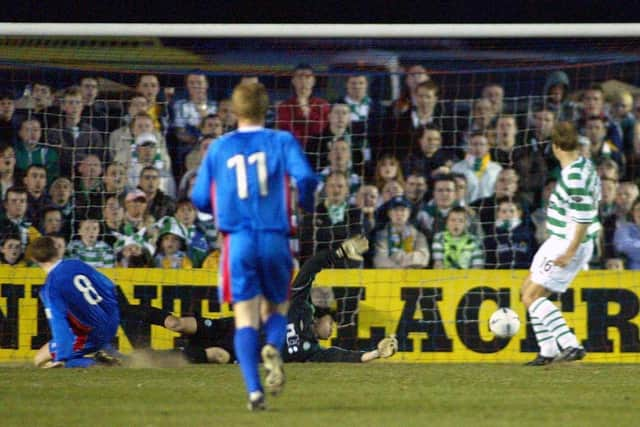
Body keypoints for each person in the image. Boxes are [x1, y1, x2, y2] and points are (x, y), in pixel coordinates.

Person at [191, 81, 318, 410]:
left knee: (245, 319)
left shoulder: (220, 147)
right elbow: (306, 178)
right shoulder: (281, 140)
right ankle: (273, 346)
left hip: (239, 242)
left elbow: (199, 198)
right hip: (276, 239)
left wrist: (223, 206)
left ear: (234, 111)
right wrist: (304, 202)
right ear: (267, 109)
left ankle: (254, 392)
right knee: (275, 310)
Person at [521, 122, 600, 366]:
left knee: (533, 296)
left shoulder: (574, 175)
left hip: (568, 242)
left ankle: (570, 344)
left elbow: (584, 215)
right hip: (559, 238)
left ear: (555, 147)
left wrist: (570, 251)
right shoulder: (584, 165)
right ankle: (548, 350)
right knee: (527, 292)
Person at [28, 236, 120, 368]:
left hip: (91, 334)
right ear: (56, 250)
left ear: (34, 260)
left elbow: (58, 323)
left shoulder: (50, 289)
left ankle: (97, 364)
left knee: (40, 360)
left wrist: (61, 357)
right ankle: (107, 352)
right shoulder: (76, 264)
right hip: (112, 322)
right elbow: (109, 286)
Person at [276, 63, 330, 148]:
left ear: (313, 81)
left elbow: (320, 130)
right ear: (293, 80)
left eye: (308, 77)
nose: (303, 80)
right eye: (300, 76)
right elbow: (286, 132)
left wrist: (308, 113)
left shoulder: (323, 105)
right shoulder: (285, 106)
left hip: (318, 151)